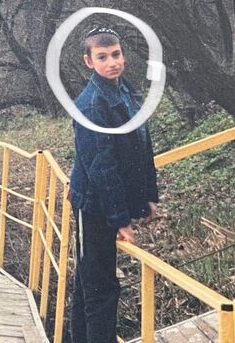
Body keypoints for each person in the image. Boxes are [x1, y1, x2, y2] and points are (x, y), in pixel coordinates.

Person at [69, 27, 158, 343]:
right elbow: (100, 167)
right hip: (93, 206)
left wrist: (148, 196)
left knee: (92, 283)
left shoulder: (126, 92)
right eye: (102, 57)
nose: (112, 62)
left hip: (109, 201)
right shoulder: (91, 104)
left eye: (116, 54)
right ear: (88, 61)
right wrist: (120, 219)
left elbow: (141, 146)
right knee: (99, 288)